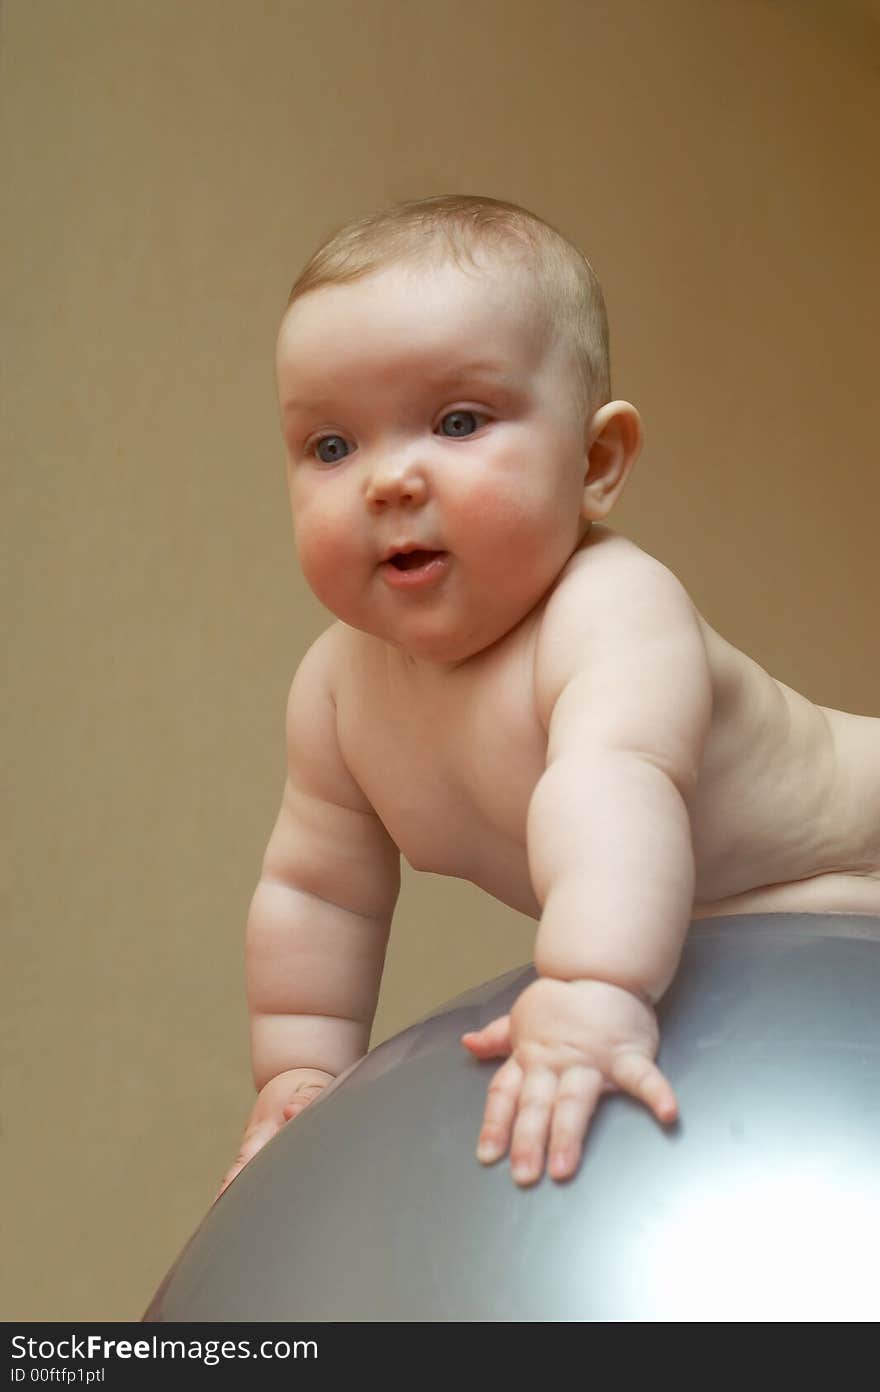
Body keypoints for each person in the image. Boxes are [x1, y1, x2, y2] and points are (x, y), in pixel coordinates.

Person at [219, 194, 880, 1195]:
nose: (388, 480)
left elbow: (615, 789)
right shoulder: (336, 692)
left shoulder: (611, 608)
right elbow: (319, 891)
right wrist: (300, 1071)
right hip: (748, 934)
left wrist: (587, 988)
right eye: (331, 446)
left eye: (456, 421)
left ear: (596, 462)